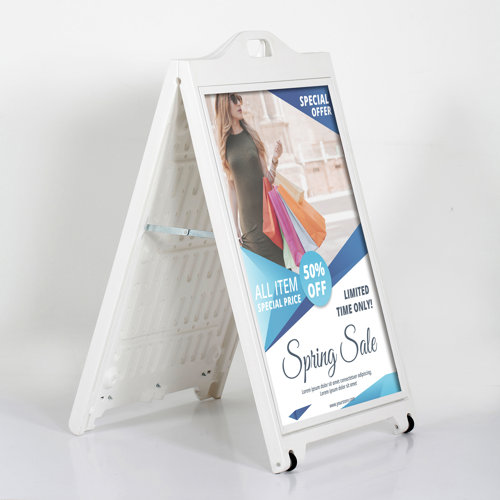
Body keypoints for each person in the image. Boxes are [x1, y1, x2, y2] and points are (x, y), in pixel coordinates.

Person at [215, 93, 285, 267]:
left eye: (239, 100)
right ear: (224, 106)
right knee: (260, 274)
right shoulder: (225, 145)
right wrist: (235, 226)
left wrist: (275, 159)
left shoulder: (252, 136)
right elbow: (232, 188)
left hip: (268, 219)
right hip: (248, 227)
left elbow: (268, 179)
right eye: (234, 101)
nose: (239, 104)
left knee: (282, 271)